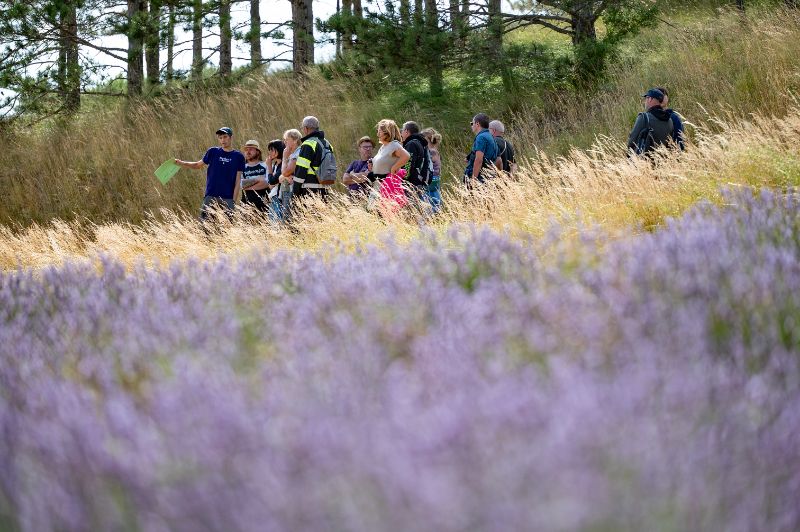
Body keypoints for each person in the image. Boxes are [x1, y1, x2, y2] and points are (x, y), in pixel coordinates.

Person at [175, 126, 245, 221]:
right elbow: (197, 165)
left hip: (227, 198)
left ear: (231, 137)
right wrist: (181, 163)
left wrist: (233, 201)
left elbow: (238, 180)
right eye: (220, 138)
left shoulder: (238, 156)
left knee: (227, 229)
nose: (223, 140)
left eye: (225, 137)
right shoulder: (213, 152)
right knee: (205, 228)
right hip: (210, 196)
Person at [292, 116, 331, 202]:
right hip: (324, 189)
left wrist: (295, 193)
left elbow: (301, 170)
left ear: (306, 129)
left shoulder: (308, 144)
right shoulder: (327, 144)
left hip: (309, 191)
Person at [627, 88, 676, 156]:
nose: (645, 102)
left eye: (646, 98)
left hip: (644, 162)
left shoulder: (643, 117)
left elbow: (632, 141)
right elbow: (670, 143)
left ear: (650, 99)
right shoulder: (669, 120)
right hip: (662, 162)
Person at [464, 113, 498, 186]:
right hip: (488, 176)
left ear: (477, 124)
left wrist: (473, 180)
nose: (471, 126)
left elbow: (479, 160)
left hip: (480, 178)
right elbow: (497, 159)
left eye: (472, 123)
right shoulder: (491, 137)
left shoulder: (481, 137)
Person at [400, 121, 432, 198]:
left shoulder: (411, 144)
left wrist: (403, 180)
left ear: (407, 131)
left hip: (411, 184)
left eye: (402, 131)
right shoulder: (421, 143)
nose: (401, 134)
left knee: (409, 208)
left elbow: (408, 163)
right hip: (418, 182)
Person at [240, 139, 269, 212]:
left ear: (258, 152)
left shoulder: (265, 165)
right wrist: (258, 179)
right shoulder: (241, 167)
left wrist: (248, 184)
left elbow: (267, 183)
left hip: (264, 204)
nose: (248, 152)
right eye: (246, 150)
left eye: (251, 149)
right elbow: (241, 185)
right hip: (246, 206)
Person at [655, 86, 686, 151]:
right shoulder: (649, 117)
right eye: (658, 95)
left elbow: (679, 138)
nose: (661, 98)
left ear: (667, 98)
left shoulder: (674, 117)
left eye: (663, 95)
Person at [280, 129, 302, 222]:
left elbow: (285, 172)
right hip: (287, 189)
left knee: (289, 220)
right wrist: (284, 176)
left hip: (292, 190)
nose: (285, 142)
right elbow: (282, 176)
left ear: (295, 140)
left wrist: (284, 157)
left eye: (287, 139)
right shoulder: (291, 154)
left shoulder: (298, 153)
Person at [421, 127, 443, 213]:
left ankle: (430, 215)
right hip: (436, 179)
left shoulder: (431, 151)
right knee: (435, 198)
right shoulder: (435, 150)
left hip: (430, 180)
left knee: (427, 200)